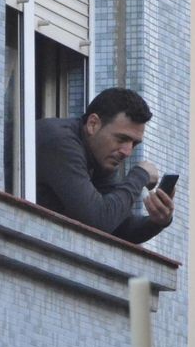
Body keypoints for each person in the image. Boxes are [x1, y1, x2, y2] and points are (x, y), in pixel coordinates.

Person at [35, 87, 174, 243]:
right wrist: (140, 175)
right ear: (93, 124)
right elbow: (99, 220)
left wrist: (158, 221)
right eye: (121, 139)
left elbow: (117, 226)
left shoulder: (99, 156)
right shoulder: (60, 141)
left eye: (134, 143)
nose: (127, 152)